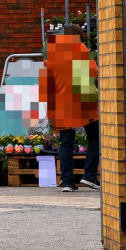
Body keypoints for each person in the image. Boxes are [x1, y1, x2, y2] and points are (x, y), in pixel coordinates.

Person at [39, 25, 99, 193]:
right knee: (95, 137)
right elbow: (93, 73)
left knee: (66, 142)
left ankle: (67, 182)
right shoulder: (80, 48)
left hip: (59, 103)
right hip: (82, 99)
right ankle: (89, 175)